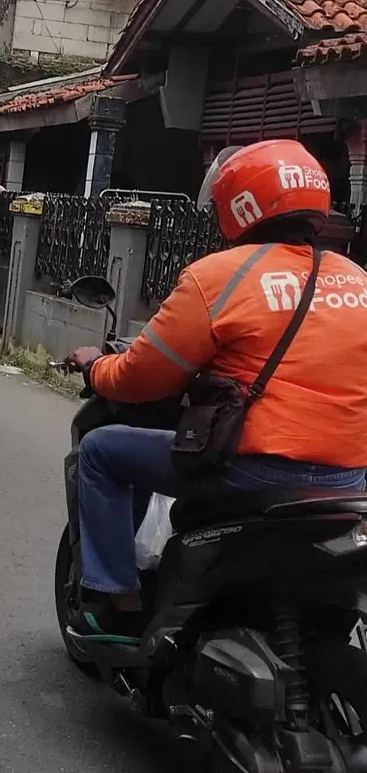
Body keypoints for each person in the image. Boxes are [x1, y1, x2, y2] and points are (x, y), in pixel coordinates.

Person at [65, 140, 367, 644]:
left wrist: (96, 369)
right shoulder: (356, 279)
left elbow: (143, 376)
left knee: (99, 452)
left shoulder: (220, 278)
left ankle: (117, 601)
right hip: (351, 479)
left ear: (236, 204)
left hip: (254, 469)